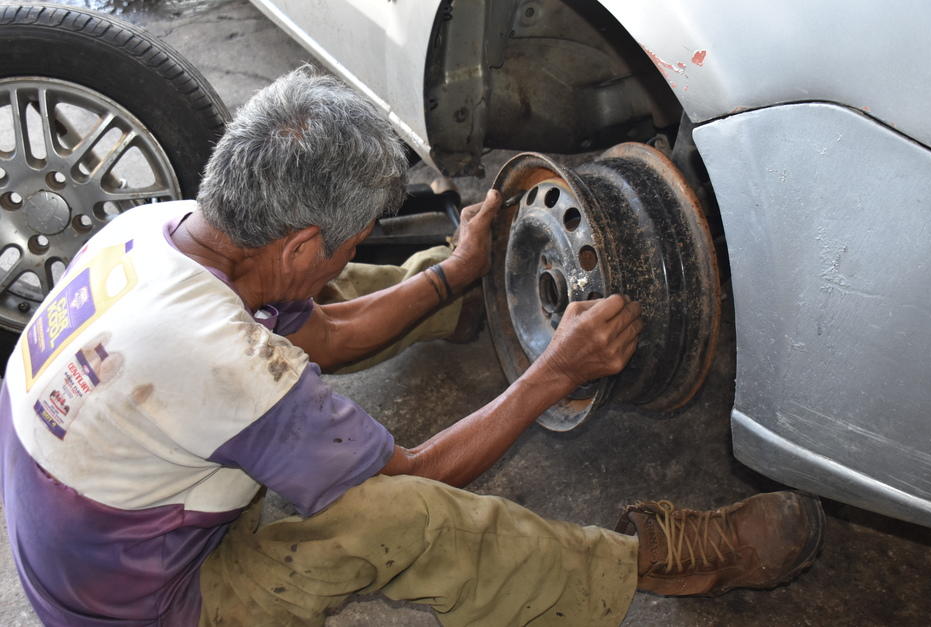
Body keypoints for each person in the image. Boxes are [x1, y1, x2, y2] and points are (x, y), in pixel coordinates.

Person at [0, 68, 824, 626]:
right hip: (152, 603)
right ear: (296, 241)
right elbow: (420, 473)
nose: (343, 250)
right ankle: (659, 564)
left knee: (323, 296)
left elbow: (316, 329)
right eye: (342, 237)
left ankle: (466, 300)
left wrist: (452, 273)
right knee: (406, 518)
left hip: (111, 519)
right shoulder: (221, 358)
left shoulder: (153, 230)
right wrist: (552, 374)